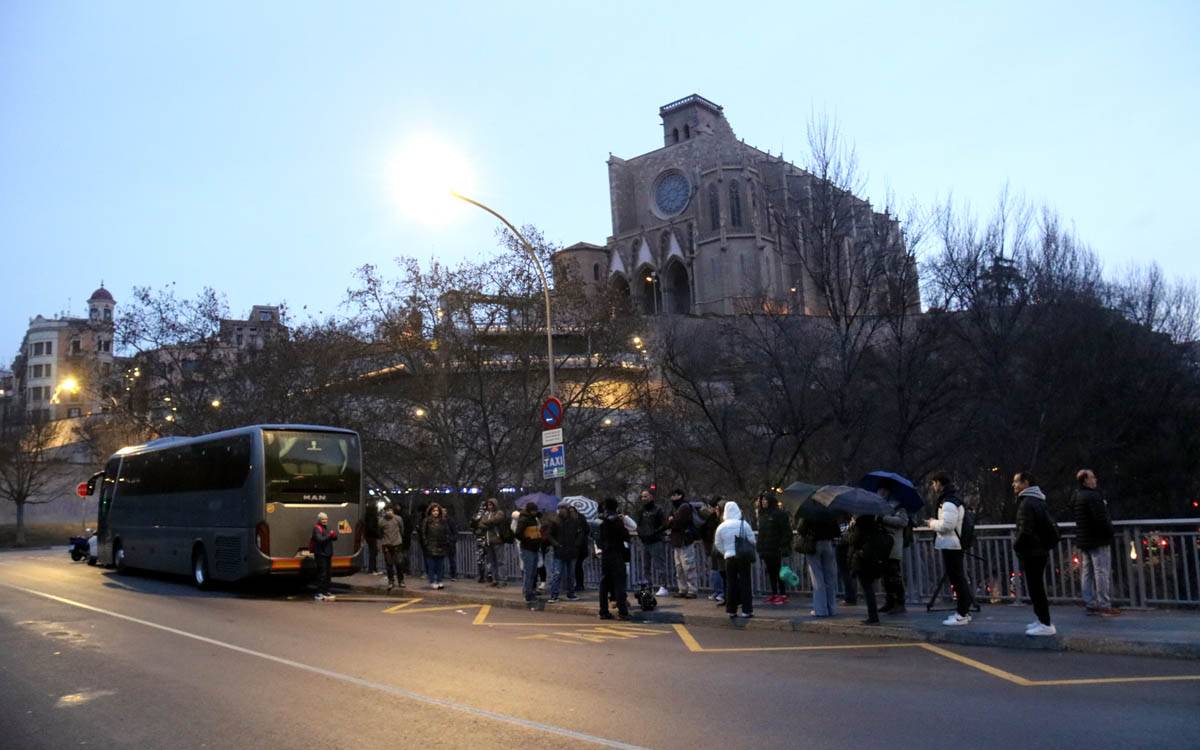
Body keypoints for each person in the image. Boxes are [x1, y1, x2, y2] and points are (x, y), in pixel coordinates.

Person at [1013, 472, 1060, 637]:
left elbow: (1025, 530)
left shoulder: (1027, 503)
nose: (1014, 485)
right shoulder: (1038, 500)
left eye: (1016, 482)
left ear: (1025, 483)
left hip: (1032, 551)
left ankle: (1045, 623)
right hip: (1040, 550)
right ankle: (1041, 619)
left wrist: (1017, 545)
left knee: (1035, 588)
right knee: (1037, 587)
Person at [925, 472, 973, 626]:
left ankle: (962, 614)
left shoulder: (948, 502)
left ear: (939, 483)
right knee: (958, 578)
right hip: (954, 544)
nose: (933, 487)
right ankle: (963, 611)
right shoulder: (952, 499)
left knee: (957, 579)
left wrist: (932, 523)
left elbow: (947, 525)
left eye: (934, 483)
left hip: (952, 545)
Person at [1072, 469, 1119, 616]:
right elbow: (1101, 518)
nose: (1095, 479)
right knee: (1101, 572)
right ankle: (1104, 604)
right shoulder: (1094, 496)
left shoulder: (1077, 496)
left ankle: (1090, 603)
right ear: (1085, 481)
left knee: (1087, 572)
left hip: (1084, 539)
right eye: (1092, 477)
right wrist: (1110, 531)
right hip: (1098, 539)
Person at [713, 500, 755, 620]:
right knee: (745, 583)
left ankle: (731, 610)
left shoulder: (721, 526)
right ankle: (747, 610)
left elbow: (718, 543)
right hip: (743, 557)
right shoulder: (743, 524)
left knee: (731, 584)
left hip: (729, 558)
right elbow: (752, 540)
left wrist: (726, 551)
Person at [795, 506, 840, 617]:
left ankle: (820, 609)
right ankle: (832, 608)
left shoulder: (809, 512)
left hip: (814, 544)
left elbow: (801, 528)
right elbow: (836, 530)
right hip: (828, 544)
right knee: (829, 577)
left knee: (817, 577)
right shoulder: (829, 511)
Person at [847, 514, 886, 625]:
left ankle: (873, 616)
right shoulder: (875, 525)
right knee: (869, 588)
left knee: (867, 589)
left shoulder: (860, 525)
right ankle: (873, 616)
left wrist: (851, 528)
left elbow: (853, 540)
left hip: (862, 560)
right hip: (872, 559)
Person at [597, 497, 631, 620]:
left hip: (606, 554)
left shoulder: (602, 522)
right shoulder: (617, 521)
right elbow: (625, 536)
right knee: (619, 583)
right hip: (617, 553)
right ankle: (623, 611)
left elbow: (600, 540)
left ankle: (603, 611)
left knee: (604, 583)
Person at [755, 493, 792, 605]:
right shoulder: (763, 515)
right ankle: (774, 593)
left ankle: (783, 594)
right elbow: (762, 533)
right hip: (767, 548)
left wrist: (782, 545)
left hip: (777, 548)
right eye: (762, 500)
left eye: (765, 500)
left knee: (779, 572)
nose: (763, 502)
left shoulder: (779, 514)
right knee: (771, 572)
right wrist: (760, 546)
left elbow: (787, 532)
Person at [879, 489, 910, 615]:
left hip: (893, 545)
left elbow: (902, 522)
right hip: (884, 546)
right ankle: (890, 601)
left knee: (894, 576)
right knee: (885, 577)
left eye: (882, 491)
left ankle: (899, 603)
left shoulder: (899, 508)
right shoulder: (882, 506)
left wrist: (884, 519)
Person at [635, 489, 669, 597]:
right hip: (645, 542)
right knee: (646, 565)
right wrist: (641, 534)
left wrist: (654, 533)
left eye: (646, 496)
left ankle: (663, 586)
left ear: (651, 497)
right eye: (642, 497)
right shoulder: (641, 511)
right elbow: (638, 525)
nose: (644, 499)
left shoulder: (658, 510)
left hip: (656, 540)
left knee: (659, 564)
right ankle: (648, 585)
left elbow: (664, 524)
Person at [549, 504, 585, 602]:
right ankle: (554, 594)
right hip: (560, 551)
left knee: (570, 574)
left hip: (570, 551)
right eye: (560, 508)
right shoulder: (555, 522)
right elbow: (549, 535)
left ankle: (570, 593)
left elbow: (580, 534)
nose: (561, 510)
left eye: (563, 508)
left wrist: (576, 544)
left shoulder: (574, 522)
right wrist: (556, 544)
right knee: (557, 573)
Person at [667, 489, 699, 598]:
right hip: (677, 540)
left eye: (675, 495)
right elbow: (669, 522)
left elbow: (678, 522)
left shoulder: (685, 507)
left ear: (680, 495)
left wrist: (672, 520)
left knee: (688, 566)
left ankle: (692, 590)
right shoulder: (675, 508)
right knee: (679, 567)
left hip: (685, 540)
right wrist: (672, 521)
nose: (672, 497)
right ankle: (682, 589)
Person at [515, 502, 543, 607]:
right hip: (528, 548)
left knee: (532, 572)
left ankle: (529, 591)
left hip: (533, 547)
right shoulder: (524, 520)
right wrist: (528, 540)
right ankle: (528, 593)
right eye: (534, 511)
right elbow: (518, 533)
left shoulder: (532, 519)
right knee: (529, 572)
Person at [420, 503, 452, 589]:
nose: (436, 512)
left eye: (437, 510)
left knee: (440, 565)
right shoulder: (427, 521)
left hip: (441, 545)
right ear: (430, 511)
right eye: (434, 511)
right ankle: (432, 581)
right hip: (430, 545)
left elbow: (447, 532)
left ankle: (439, 580)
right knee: (431, 566)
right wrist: (426, 543)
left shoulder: (443, 521)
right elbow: (423, 533)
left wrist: (447, 542)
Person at [478, 497, 508, 586]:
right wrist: (487, 523)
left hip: (498, 540)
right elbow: (480, 524)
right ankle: (495, 579)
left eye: (491, 504)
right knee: (492, 562)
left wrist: (486, 522)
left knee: (500, 561)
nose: (489, 506)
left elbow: (496, 520)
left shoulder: (499, 513)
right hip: (488, 541)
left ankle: (503, 579)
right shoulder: (486, 514)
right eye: (488, 505)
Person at [311, 511, 338, 601]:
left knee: (328, 573)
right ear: (319, 520)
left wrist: (333, 536)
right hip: (320, 554)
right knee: (322, 574)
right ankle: (319, 593)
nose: (325, 521)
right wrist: (329, 536)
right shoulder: (316, 528)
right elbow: (319, 539)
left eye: (326, 519)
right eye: (323, 519)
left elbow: (334, 538)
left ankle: (326, 591)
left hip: (327, 554)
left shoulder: (326, 527)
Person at [703, 497, 726, 604]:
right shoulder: (712, 518)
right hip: (713, 548)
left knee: (721, 571)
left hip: (720, 549)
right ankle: (718, 591)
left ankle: (722, 592)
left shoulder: (721, 521)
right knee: (715, 570)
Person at [378, 505, 405, 591]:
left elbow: (402, 529)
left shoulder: (398, 519)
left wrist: (399, 538)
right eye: (387, 510)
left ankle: (401, 580)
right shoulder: (381, 521)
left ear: (393, 511)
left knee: (399, 563)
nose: (388, 512)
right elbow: (380, 532)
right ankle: (391, 581)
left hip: (397, 543)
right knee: (389, 564)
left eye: (390, 510)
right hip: (387, 544)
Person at [835, 520, 858, 605]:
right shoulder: (852, 518)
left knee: (845, 573)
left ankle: (850, 598)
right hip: (848, 545)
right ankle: (851, 596)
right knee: (849, 573)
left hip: (843, 546)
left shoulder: (845, 519)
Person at [363, 500, 381, 575]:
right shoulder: (372, 516)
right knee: (373, 552)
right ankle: (371, 569)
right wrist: (378, 534)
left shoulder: (367, 515)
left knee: (373, 552)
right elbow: (371, 527)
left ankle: (374, 569)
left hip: (368, 535)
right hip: (372, 536)